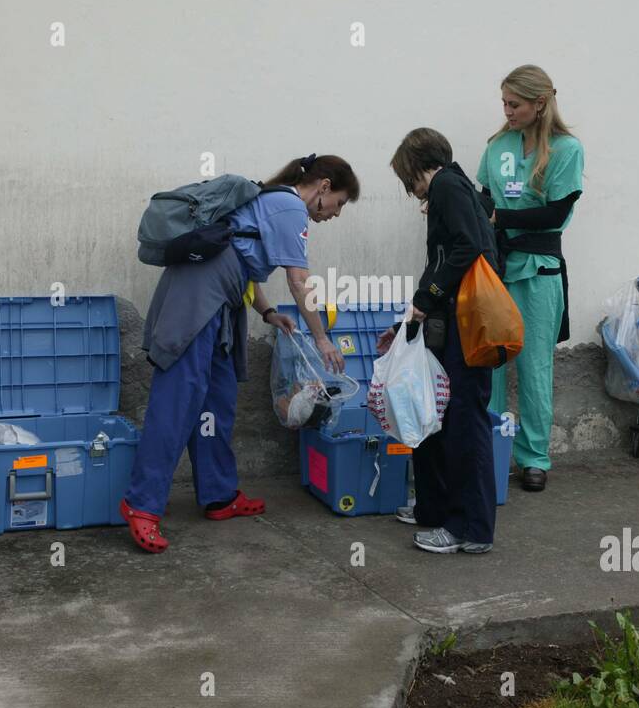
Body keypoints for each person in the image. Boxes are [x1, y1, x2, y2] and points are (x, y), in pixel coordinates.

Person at [120, 154, 358, 553]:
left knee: (217, 399)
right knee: (177, 403)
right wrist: (322, 339)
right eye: (340, 203)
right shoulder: (289, 207)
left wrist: (267, 312)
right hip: (197, 300)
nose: (336, 214)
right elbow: (300, 283)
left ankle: (218, 495)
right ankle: (141, 505)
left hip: (221, 302)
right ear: (324, 186)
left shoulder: (273, 202)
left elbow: (243, 259)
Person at [381, 128, 498, 554]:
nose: (411, 192)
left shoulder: (447, 184)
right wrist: (412, 314)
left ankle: (470, 528)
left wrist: (427, 300)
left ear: (416, 166)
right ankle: (435, 508)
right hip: (455, 320)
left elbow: (467, 248)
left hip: (465, 323)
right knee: (438, 414)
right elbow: (447, 256)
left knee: (465, 422)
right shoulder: (458, 185)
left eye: (407, 180)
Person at [477, 65, 583, 492]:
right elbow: (483, 198)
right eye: (503, 102)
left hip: (539, 271)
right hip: (497, 270)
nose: (507, 111)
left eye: (514, 104)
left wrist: (498, 217)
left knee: (535, 367)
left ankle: (534, 457)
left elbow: (554, 216)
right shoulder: (497, 145)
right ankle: (490, 448)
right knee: (493, 365)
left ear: (540, 104)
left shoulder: (566, 149)